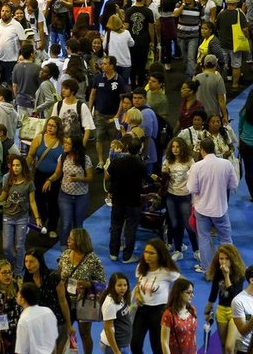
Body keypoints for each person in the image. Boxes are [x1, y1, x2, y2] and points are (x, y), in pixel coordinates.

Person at [187, 138, 237, 275]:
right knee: (226, 239)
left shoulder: (197, 166)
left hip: (202, 208)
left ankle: (207, 269)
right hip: (220, 208)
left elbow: (191, 188)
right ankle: (229, 267)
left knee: (204, 237)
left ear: (202, 150)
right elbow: (233, 185)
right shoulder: (226, 164)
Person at [58, 228, 106, 354]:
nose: (68, 240)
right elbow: (58, 275)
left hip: (84, 303)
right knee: (63, 333)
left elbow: (102, 285)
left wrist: (87, 284)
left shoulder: (93, 260)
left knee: (85, 334)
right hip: (66, 302)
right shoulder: (65, 255)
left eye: (71, 239)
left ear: (80, 241)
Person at [131, 239, 181, 354]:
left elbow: (183, 284)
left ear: (159, 255)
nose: (147, 256)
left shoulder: (167, 272)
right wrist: (138, 294)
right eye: (146, 252)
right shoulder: (141, 267)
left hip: (159, 312)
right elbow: (139, 283)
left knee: (157, 347)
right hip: (142, 309)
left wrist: (174, 302)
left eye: (151, 253)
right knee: (135, 344)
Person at [43, 136, 93, 250]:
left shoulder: (85, 159)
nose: (64, 145)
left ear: (74, 146)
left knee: (78, 225)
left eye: (67, 143)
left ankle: (77, 247)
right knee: (66, 223)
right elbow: (57, 173)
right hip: (65, 195)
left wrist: (79, 179)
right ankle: (64, 248)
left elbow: (90, 177)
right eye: (64, 143)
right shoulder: (63, 157)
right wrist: (49, 180)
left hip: (82, 196)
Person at [107, 135, 148, 263]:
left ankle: (113, 253)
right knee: (130, 228)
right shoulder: (140, 165)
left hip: (117, 200)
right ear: (140, 149)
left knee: (116, 226)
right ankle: (127, 256)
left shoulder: (117, 162)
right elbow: (144, 181)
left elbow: (108, 175)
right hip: (133, 201)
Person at [22, 249, 74, 353]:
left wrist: (68, 324)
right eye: (26, 261)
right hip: (38, 324)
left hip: (57, 322)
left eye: (31, 261)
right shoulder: (27, 279)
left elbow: (63, 301)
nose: (28, 265)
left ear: (40, 262)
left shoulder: (53, 276)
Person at [0, 156, 37, 279]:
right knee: (6, 247)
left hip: (22, 217)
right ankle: (17, 262)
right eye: (13, 165)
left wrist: (37, 217)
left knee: (20, 246)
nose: (15, 168)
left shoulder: (28, 182)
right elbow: (3, 197)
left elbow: (32, 201)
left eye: (18, 165)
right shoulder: (8, 180)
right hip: (8, 217)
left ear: (22, 166)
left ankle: (19, 272)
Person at [205, 245, 247, 354]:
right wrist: (208, 307)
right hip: (222, 309)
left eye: (227, 258)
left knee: (230, 345)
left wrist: (227, 276)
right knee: (223, 345)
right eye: (221, 258)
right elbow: (214, 291)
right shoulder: (218, 272)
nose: (223, 262)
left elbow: (234, 296)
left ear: (232, 259)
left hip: (235, 311)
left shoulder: (240, 273)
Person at [27, 117, 64, 239]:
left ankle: (52, 227)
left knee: (53, 202)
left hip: (55, 177)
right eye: (48, 125)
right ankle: (42, 222)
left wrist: (53, 179)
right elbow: (30, 155)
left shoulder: (62, 142)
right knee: (38, 200)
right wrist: (25, 171)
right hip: (39, 175)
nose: (50, 127)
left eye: (53, 126)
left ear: (58, 128)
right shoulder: (39, 138)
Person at [14, 282, 59, 354]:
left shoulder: (24, 320)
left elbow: (22, 350)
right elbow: (53, 341)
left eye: (18, 293)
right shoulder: (48, 311)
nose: (17, 295)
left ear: (22, 299)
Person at [160, 278, 198, 354]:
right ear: (179, 293)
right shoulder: (168, 314)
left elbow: (193, 334)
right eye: (188, 293)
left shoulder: (192, 310)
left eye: (192, 292)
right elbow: (164, 342)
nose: (192, 295)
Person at [100, 272, 133, 354]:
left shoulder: (121, 297)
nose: (123, 288)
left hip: (123, 343)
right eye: (119, 285)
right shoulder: (110, 304)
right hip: (114, 347)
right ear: (112, 286)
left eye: (125, 285)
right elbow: (108, 329)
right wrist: (116, 351)